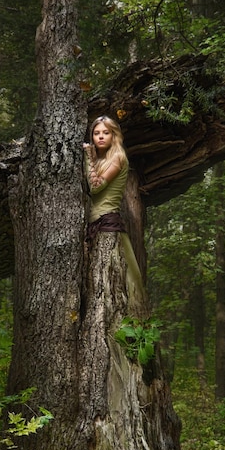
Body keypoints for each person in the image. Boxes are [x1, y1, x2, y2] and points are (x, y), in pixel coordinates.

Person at [83, 115, 145, 310]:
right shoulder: (101, 160)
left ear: (114, 135)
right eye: (96, 133)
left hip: (107, 225)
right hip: (95, 224)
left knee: (116, 285)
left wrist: (89, 158)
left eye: (105, 133)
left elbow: (95, 186)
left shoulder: (118, 157)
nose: (100, 137)